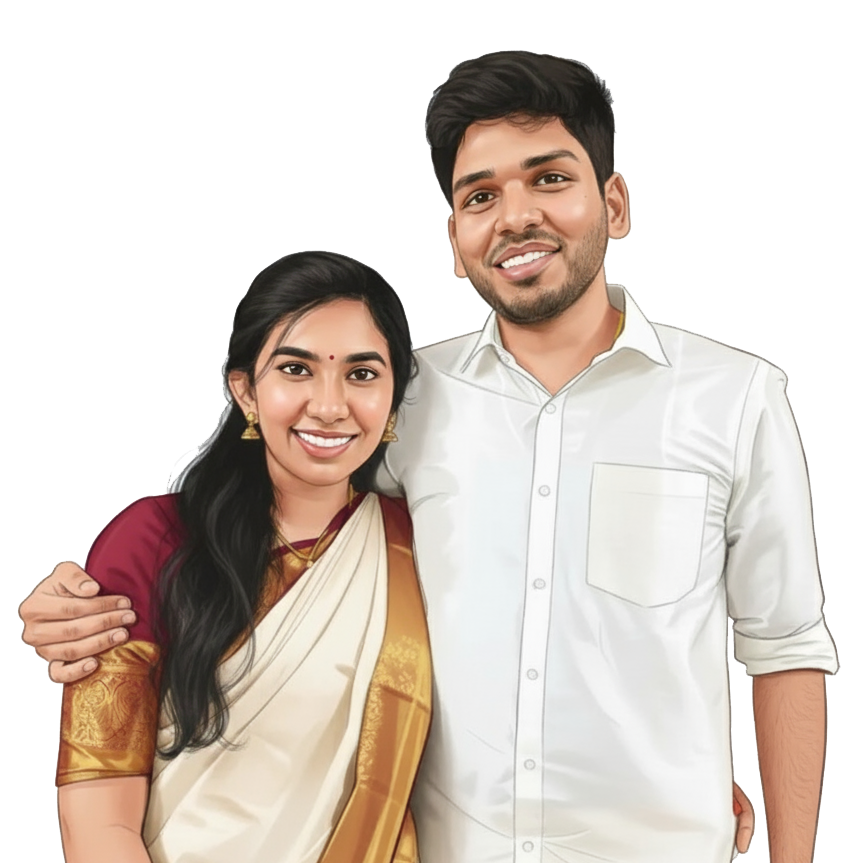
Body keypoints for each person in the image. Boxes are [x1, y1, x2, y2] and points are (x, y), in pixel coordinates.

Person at [19, 51, 832, 861]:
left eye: (550, 178)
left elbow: (786, 648)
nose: (515, 216)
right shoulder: (408, 398)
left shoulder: (735, 399)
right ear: (455, 238)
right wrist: (78, 600)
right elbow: (282, 521)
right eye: (481, 195)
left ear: (614, 202)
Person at [44, 250, 431, 863]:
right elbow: (98, 818)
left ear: (393, 396)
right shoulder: (152, 542)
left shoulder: (420, 547)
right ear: (246, 390)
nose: (330, 406)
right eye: (296, 370)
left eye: (362, 374)